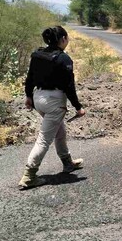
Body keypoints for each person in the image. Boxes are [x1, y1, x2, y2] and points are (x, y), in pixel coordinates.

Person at [18, 26, 86, 189]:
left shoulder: (38, 55)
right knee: (44, 140)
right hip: (54, 102)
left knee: (59, 131)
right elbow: (69, 86)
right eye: (67, 38)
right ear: (63, 39)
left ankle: (67, 163)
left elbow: (30, 78)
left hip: (38, 99)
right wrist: (78, 107)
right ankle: (29, 176)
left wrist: (28, 96)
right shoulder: (64, 59)